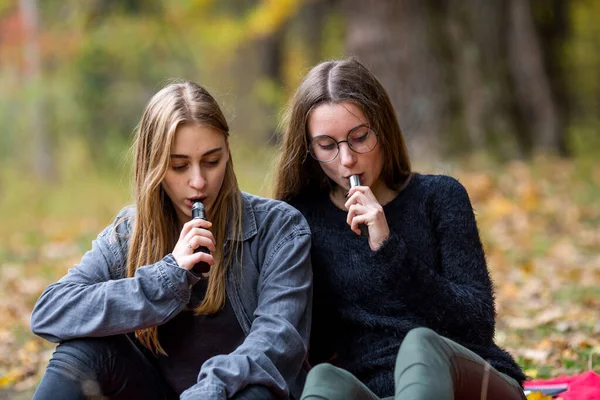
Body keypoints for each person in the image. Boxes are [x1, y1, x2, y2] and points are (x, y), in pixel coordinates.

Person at [30, 81, 313, 400]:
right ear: (154, 166)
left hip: (235, 394)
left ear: (228, 152)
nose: (198, 182)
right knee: (82, 349)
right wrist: (168, 277)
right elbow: (50, 313)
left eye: (212, 161)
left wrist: (210, 390)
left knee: (256, 391)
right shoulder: (129, 232)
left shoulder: (280, 228)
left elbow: (276, 343)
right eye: (179, 166)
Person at [274, 58, 526, 400]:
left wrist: (389, 248)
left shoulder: (439, 197)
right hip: (376, 391)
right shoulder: (301, 219)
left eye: (359, 138)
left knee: (420, 346)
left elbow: (477, 325)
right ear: (309, 150)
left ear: (383, 129)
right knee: (323, 382)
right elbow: (304, 343)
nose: (347, 160)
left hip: (465, 381)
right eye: (328, 146)